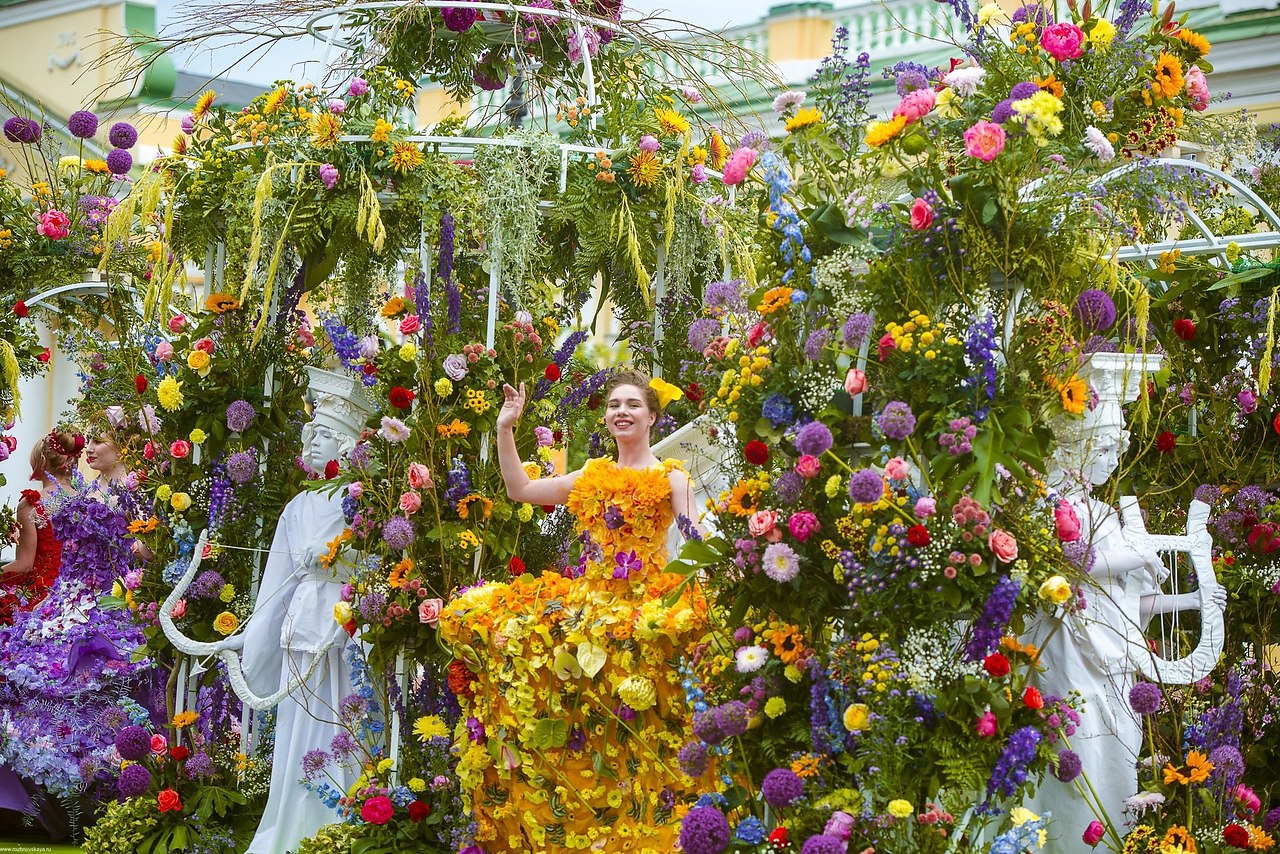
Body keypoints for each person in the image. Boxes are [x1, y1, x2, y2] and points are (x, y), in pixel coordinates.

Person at [441, 369, 708, 854]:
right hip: (589, 605)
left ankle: (652, 828)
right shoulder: (590, 474)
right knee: (569, 702)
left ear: (652, 417)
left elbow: (697, 541)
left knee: (646, 720)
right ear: (606, 418)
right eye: (613, 405)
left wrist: (695, 593)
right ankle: (573, 824)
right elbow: (520, 489)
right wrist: (505, 428)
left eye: (632, 404)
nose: (621, 411)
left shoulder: (671, 476)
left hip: (645, 606)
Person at [1023, 398, 1226, 850]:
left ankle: (1114, 841)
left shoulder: (1107, 516)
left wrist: (1194, 599)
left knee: (1118, 755)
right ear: (1078, 445)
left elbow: (1132, 605)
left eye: (1119, 449)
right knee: (1079, 747)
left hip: (1114, 655)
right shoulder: (1052, 505)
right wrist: (1138, 557)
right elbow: (1072, 561)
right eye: (1107, 448)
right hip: (1068, 647)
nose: (1114, 461)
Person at [227, 367, 372, 854]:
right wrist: (256, 648)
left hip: (348, 633)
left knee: (347, 727)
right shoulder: (299, 505)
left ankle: (348, 824)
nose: (311, 442)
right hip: (301, 632)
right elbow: (276, 587)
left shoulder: (371, 502)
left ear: (349, 445)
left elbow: (381, 567)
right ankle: (293, 827)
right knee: (298, 737)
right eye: (309, 433)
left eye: (324, 434)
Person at [0, 430, 80, 624]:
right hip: (75, 592)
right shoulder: (85, 500)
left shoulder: (32, 504)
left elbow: (24, 565)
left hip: (42, 590)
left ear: (42, 461)